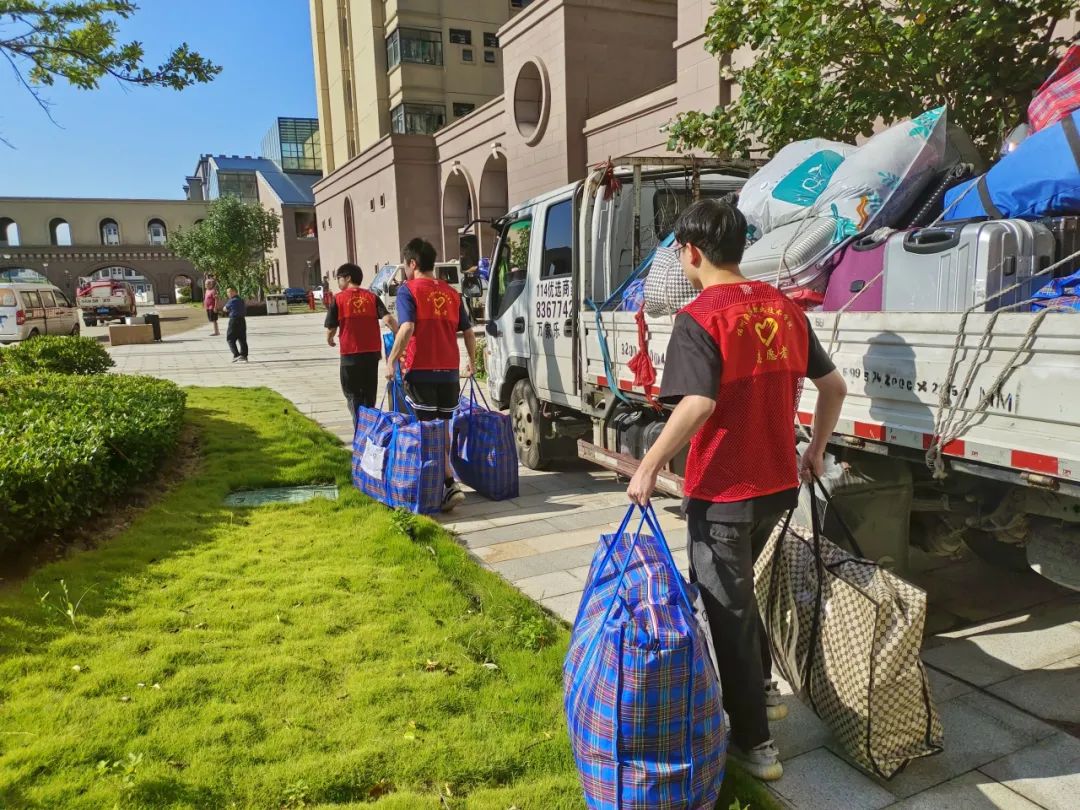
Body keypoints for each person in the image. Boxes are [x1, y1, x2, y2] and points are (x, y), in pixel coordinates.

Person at [625, 199, 847, 782]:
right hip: (777, 485)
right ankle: (765, 690)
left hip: (723, 490)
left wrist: (650, 463)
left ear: (691, 252)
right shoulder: (785, 306)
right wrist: (815, 449)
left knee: (726, 609)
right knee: (745, 596)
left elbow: (698, 403)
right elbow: (834, 387)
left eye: (680, 251)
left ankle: (755, 743)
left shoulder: (700, 317)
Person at [385, 237, 476, 513]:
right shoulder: (451, 293)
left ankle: (438, 485)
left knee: (426, 430)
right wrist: (472, 362)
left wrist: (391, 360)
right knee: (443, 428)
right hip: (449, 371)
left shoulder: (408, 290)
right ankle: (447, 482)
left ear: (412, 263)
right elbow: (468, 331)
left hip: (421, 370)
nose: (405, 269)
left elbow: (407, 327)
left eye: (405, 265)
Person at [325, 262, 398, 422]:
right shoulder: (372, 297)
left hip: (350, 355)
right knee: (368, 396)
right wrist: (398, 334)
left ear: (347, 278)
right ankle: (369, 426)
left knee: (353, 396)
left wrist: (329, 338)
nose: (338, 282)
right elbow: (388, 319)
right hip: (372, 355)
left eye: (339, 278)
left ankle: (360, 429)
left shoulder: (338, 299)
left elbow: (331, 327)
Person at [223, 287, 248, 362]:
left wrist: (228, 309)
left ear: (235, 292)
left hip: (234, 320)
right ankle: (244, 355)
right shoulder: (241, 300)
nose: (228, 294)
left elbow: (225, 308)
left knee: (230, 339)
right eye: (227, 292)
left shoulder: (232, 300)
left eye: (230, 292)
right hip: (242, 320)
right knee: (242, 338)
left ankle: (236, 355)